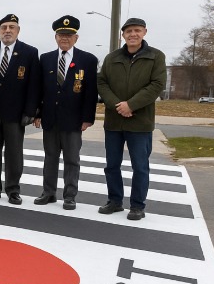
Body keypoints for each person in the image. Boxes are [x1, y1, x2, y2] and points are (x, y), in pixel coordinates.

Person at [97, 17, 167, 220]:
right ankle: (115, 201)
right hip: (114, 121)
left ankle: (137, 206)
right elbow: (102, 83)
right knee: (112, 165)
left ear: (144, 32)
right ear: (123, 35)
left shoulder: (156, 56)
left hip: (140, 122)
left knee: (140, 166)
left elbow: (157, 85)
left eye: (137, 30)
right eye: (128, 31)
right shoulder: (112, 58)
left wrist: (131, 105)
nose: (133, 34)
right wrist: (117, 105)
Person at [33, 16, 98, 210]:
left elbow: (91, 92)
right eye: (61, 35)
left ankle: (70, 196)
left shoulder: (88, 60)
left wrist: (87, 118)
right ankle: (48, 192)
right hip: (50, 118)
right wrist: (37, 113)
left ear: (76, 38)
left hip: (74, 120)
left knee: (71, 160)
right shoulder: (45, 59)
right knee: (50, 158)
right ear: (55, 37)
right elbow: (39, 89)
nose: (64, 38)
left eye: (69, 35)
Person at [0, 14, 40, 204]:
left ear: (18, 30)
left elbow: (33, 85)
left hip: (15, 113)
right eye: (4, 27)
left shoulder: (29, 52)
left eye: (11, 27)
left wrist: (30, 112)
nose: (7, 31)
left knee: (14, 153)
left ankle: (13, 190)